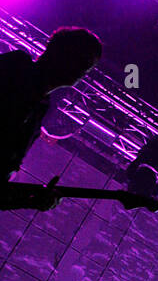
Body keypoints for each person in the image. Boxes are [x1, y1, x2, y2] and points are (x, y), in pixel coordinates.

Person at [0, 27, 102, 182]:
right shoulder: (18, 65)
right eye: (82, 58)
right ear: (60, 53)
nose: (85, 69)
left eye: (89, 65)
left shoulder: (41, 108)